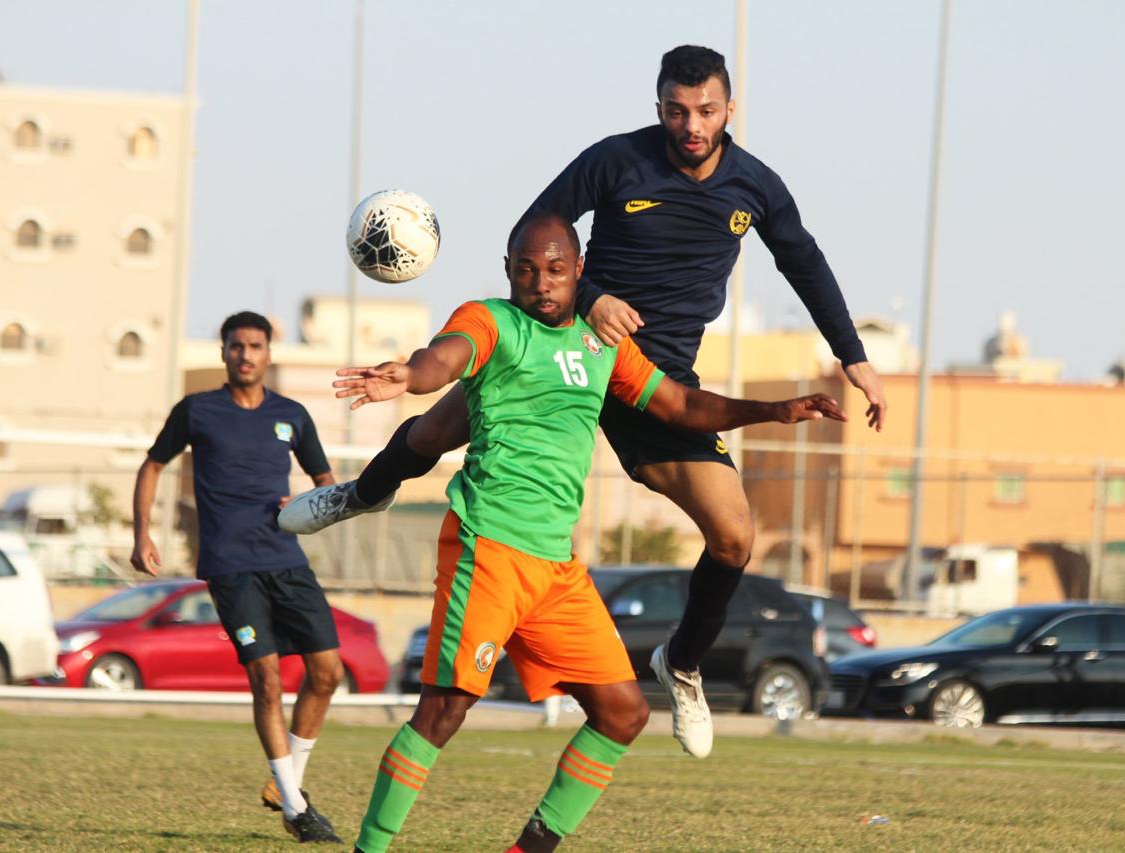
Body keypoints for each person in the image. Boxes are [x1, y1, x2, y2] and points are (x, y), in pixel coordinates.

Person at [280, 44, 885, 760]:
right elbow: (541, 227)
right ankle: (361, 493)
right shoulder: (617, 160)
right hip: (567, 341)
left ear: (729, 108)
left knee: (735, 536)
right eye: (676, 110)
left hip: (656, 379)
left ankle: (681, 663)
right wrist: (591, 299)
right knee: (434, 430)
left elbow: (804, 261)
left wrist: (854, 356)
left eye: (707, 110)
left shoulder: (755, 186)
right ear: (658, 106)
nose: (691, 124)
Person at [289, 214, 844, 852]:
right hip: (489, 548)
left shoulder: (602, 341)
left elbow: (683, 408)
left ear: (579, 272)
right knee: (443, 711)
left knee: (624, 714)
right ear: (509, 273)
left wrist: (774, 410)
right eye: (526, 271)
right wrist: (410, 376)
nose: (541, 284)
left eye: (555, 270)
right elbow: (446, 357)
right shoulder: (492, 320)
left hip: (555, 570)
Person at [132, 311, 344, 844]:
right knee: (266, 677)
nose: (245, 355)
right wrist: (142, 535)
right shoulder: (197, 410)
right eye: (236, 346)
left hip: (287, 559)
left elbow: (325, 480)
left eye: (254, 346)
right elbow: (153, 464)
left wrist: (309, 506)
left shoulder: (291, 415)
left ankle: (285, 783)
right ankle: (297, 810)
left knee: (328, 672)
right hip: (230, 564)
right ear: (223, 352)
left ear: (269, 353)